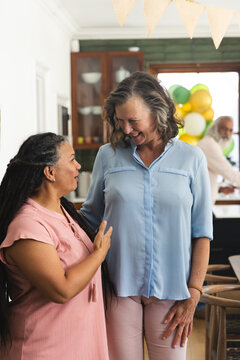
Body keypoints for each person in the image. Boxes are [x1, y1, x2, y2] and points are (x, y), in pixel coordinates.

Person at [81, 71, 213, 360]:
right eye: (120, 121)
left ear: (158, 111)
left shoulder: (192, 159)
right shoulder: (108, 155)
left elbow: (201, 232)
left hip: (174, 294)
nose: (126, 129)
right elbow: (90, 219)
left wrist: (194, 292)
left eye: (133, 120)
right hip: (119, 289)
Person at [0, 132, 112, 360]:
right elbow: (61, 290)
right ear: (50, 172)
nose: (78, 166)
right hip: (42, 349)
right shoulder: (27, 226)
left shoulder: (64, 212)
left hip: (77, 344)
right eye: (72, 159)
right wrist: (98, 254)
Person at [197, 116, 240, 204]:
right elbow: (230, 173)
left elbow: (206, 179)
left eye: (230, 130)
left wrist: (219, 188)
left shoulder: (212, 144)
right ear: (214, 128)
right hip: (201, 205)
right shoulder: (209, 145)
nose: (227, 133)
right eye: (224, 128)